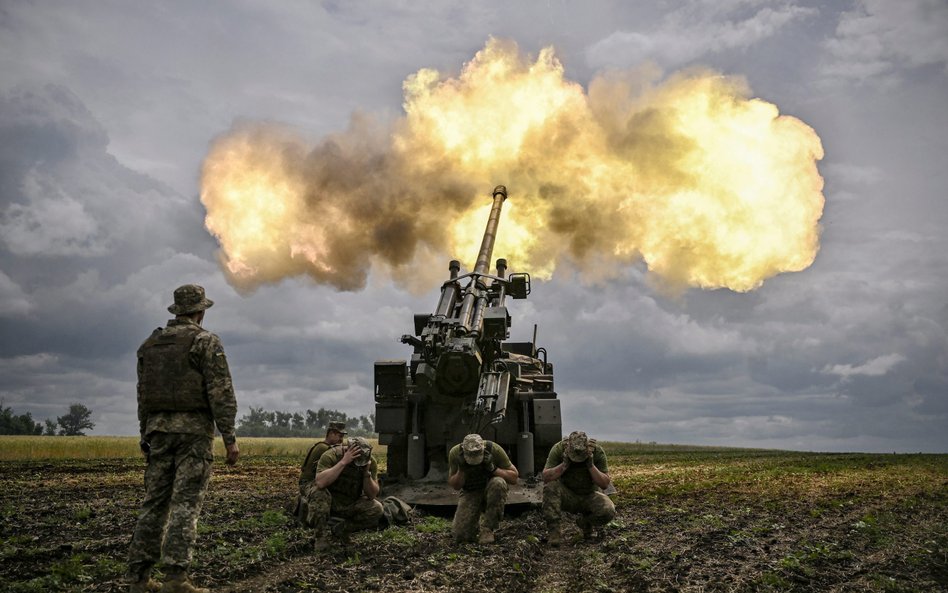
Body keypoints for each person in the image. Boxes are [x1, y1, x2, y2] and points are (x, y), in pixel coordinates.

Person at [127, 284, 239, 593]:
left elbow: (143, 396)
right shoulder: (205, 342)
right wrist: (229, 437)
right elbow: (221, 393)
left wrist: (144, 435)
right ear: (200, 311)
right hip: (193, 435)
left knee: (153, 504)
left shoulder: (149, 345)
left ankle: (138, 578)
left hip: (157, 432)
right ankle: (175, 579)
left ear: (177, 311)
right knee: (184, 505)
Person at [541, 431, 615, 546]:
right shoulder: (559, 449)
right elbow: (546, 477)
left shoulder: (597, 452)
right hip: (567, 495)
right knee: (550, 487)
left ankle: (585, 523)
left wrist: (590, 465)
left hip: (589, 495)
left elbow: (604, 483)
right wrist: (564, 465)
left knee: (608, 510)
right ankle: (554, 534)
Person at [309, 436, 384, 550]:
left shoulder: (370, 462)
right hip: (330, 501)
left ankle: (342, 530)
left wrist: (366, 474)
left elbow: (372, 495)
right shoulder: (331, 456)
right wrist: (343, 462)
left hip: (350, 502)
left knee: (376, 508)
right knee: (319, 493)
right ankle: (321, 536)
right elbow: (320, 482)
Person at [447, 434, 519, 544]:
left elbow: (514, 478)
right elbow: (456, 485)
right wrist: (461, 470)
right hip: (470, 491)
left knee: (498, 483)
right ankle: (473, 525)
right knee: (461, 536)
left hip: (490, 489)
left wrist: (493, 469)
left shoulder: (494, 449)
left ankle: (488, 529)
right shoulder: (455, 453)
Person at [295, 421, 347, 523]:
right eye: (339, 436)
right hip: (308, 483)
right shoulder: (325, 449)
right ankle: (318, 521)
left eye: (342, 437)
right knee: (323, 494)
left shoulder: (321, 445)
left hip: (310, 481)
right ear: (331, 433)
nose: (341, 440)